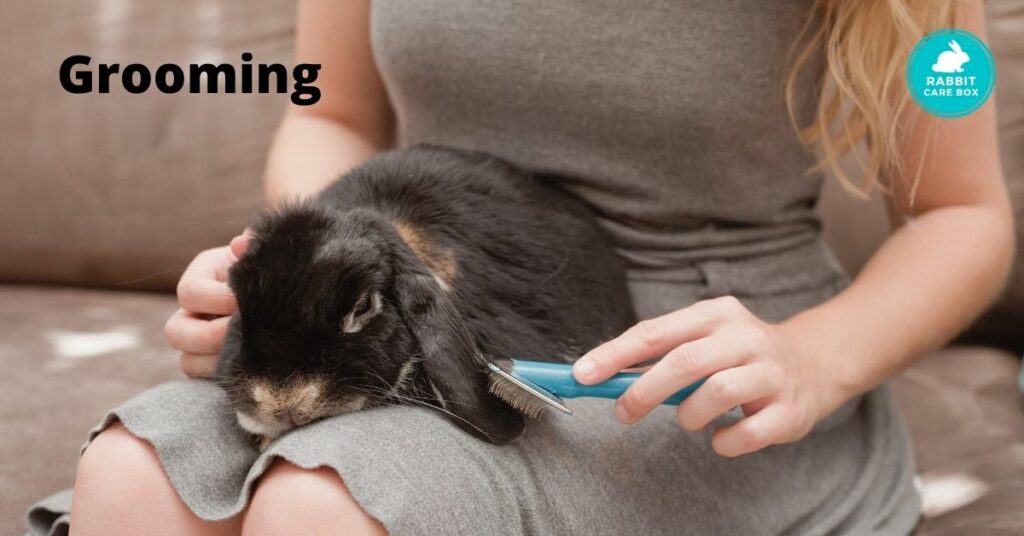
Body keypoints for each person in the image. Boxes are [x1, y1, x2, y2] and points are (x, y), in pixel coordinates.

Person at [38, 1, 1011, 535]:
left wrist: (812, 359)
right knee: (127, 478)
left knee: (318, 510)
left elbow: (960, 213)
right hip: (423, 301)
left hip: (691, 364)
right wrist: (301, 264)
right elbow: (330, 115)